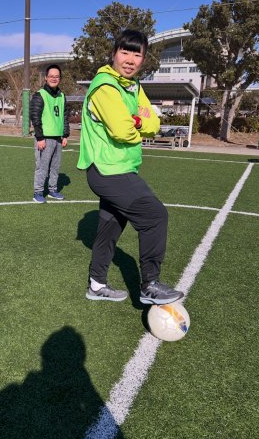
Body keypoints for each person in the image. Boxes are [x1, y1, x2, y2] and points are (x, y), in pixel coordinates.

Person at [77, 29, 184, 305]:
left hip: (122, 167)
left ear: (143, 59)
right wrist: (137, 122)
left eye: (137, 55)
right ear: (114, 53)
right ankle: (150, 285)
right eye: (124, 52)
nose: (130, 60)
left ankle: (96, 285)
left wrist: (136, 120)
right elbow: (122, 131)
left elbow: (154, 124)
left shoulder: (134, 86)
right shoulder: (105, 87)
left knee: (109, 228)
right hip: (107, 170)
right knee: (155, 216)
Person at [30, 64, 69, 203]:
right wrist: (40, 137)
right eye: (51, 76)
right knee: (42, 167)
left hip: (58, 138)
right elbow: (35, 117)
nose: (54, 78)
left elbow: (65, 117)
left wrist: (65, 135)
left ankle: (53, 190)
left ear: (60, 78)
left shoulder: (62, 96)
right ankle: (38, 192)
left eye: (57, 76)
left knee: (55, 167)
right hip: (44, 138)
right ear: (46, 77)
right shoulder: (40, 95)